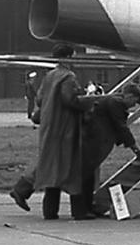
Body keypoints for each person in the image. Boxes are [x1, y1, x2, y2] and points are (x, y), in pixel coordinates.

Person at [13, 45, 88, 219]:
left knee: (50, 165)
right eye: (73, 57)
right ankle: (78, 211)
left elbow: (39, 98)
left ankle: (49, 210)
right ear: (68, 57)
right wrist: (86, 101)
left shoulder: (49, 76)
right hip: (65, 127)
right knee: (70, 165)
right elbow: (69, 100)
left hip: (48, 126)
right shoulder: (68, 76)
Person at [76, 85, 140, 217]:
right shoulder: (116, 103)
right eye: (134, 102)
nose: (132, 106)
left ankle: (86, 208)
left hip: (90, 139)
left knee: (88, 175)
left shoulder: (111, 100)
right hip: (91, 140)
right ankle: (82, 210)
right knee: (86, 175)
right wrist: (135, 147)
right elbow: (121, 127)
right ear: (129, 96)